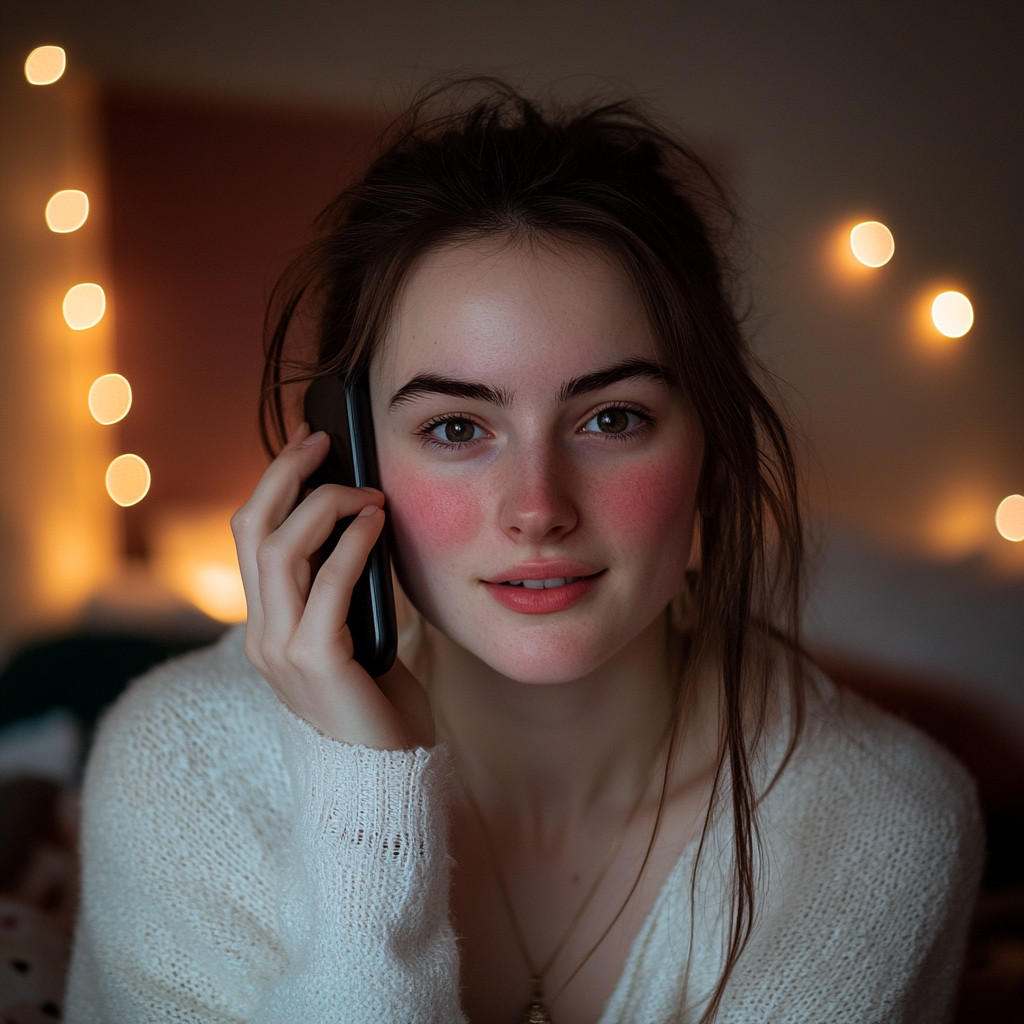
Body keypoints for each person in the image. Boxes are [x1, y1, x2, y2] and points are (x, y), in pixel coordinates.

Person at [65, 81, 982, 1024]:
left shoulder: (881, 819)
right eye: (458, 427)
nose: (537, 509)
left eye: (613, 418)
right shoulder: (183, 768)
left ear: (711, 447)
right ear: (347, 456)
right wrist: (365, 799)